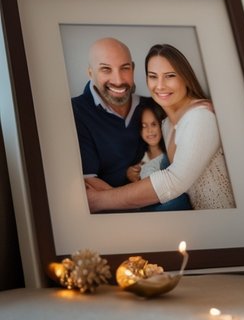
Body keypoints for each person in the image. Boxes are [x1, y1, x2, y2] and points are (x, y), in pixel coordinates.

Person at [85, 44, 235, 212]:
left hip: (228, 220)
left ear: (185, 77)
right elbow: (166, 169)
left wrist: (100, 200)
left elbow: (173, 181)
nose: (160, 85)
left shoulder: (200, 117)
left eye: (170, 76)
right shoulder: (167, 124)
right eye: (153, 76)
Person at [72, 37, 144, 190]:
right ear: (90, 73)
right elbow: (89, 182)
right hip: (116, 204)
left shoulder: (148, 105)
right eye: (106, 69)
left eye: (125, 68)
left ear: (133, 69)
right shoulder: (75, 112)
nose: (118, 80)